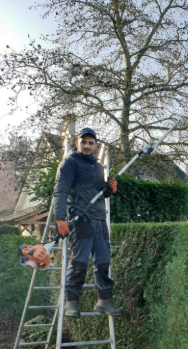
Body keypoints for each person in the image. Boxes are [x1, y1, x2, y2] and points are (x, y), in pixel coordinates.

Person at [53, 127, 122, 317]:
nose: (87, 146)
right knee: (80, 262)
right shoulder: (70, 163)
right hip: (81, 219)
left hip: (99, 219)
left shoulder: (98, 166)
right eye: (83, 142)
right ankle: (71, 302)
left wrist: (110, 190)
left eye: (91, 143)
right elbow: (60, 190)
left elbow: (100, 192)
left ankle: (104, 301)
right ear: (77, 143)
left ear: (95, 145)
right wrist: (59, 218)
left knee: (103, 262)